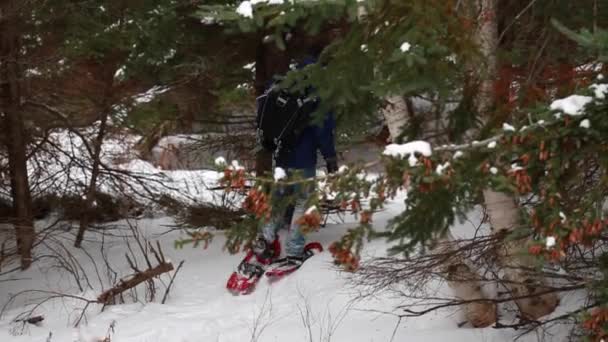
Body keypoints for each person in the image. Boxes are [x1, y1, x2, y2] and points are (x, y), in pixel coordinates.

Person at [251, 53, 338, 269]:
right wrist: (330, 157)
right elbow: (323, 130)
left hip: (281, 158)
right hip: (304, 161)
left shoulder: (284, 87)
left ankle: (265, 240)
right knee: (303, 202)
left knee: (278, 201)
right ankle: (294, 251)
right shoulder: (315, 95)